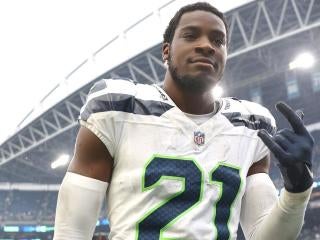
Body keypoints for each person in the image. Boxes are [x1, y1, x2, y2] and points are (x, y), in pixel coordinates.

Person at [53, 2, 314, 240]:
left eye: (218, 40)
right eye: (191, 36)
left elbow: (265, 237)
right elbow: (72, 232)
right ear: (166, 51)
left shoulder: (251, 125)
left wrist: (297, 190)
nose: (206, 45)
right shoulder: (119, 108)